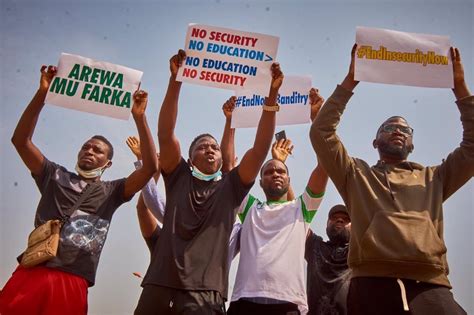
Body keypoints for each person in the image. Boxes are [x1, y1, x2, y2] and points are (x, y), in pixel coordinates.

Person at [310, 45, 473, 315]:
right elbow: (321, 133)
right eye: (389, 127)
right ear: (375, 142)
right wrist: (351, 79)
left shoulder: (435, 178)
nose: (397, 130)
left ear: (411, 143)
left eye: (404, 129)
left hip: (431, 287)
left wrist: (459, 87)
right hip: (371, 286)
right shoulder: (356, 175)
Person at [134, 50, 284, 314]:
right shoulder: (177, 177)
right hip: (159, 287)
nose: (210, 150)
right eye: (202, 147)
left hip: (206, 295)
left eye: (214, 146)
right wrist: (175, 80)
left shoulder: (232, 187)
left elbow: (260, 149)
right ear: (190, 160)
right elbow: (165, 134)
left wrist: (271, 98)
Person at [0, 65, 158, 315]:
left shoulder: (112, 191)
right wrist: (42, 93)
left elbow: (150, 167)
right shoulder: (54, 175)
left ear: (108, 164)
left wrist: (140, 117)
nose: (90, 151)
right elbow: (20, 141)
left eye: (97, 151)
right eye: (86, 147)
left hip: (73, 280)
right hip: (33, 271)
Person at [228, 105, 329, 315]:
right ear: (260, 183)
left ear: (289, 179)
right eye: (269, 172)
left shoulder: (301, 209)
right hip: (245, 302)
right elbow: (228, 167)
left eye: (281, 171)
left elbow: (325, 165)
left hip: (288, 304)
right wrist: (231, 122)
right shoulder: (249, 209)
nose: (276, 174)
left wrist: (316, 117)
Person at [305, 204, 351, 315]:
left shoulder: (358, 250)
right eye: (334, 218)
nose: (339, 220)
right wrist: (286, 186)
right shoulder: (314, 246)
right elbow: (298, 218)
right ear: (326, 225)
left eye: (346, 219)